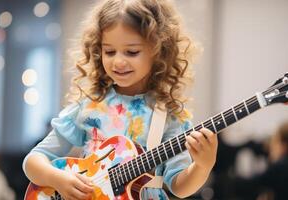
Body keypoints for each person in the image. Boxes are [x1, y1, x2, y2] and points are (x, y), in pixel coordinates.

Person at [22, 0, 218, 199]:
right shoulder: (90, 106)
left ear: (159, 51)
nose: (118, 61)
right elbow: (33, 162)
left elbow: (179, 187)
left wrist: (202, 166)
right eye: (109, 51)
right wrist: (58, 180)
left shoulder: (169, 116)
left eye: (132, 52)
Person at [234, 122, 288, 200]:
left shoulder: (281, 168)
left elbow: (246, 186)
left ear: (284, 145)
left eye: (274, 142)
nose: (271, 148)